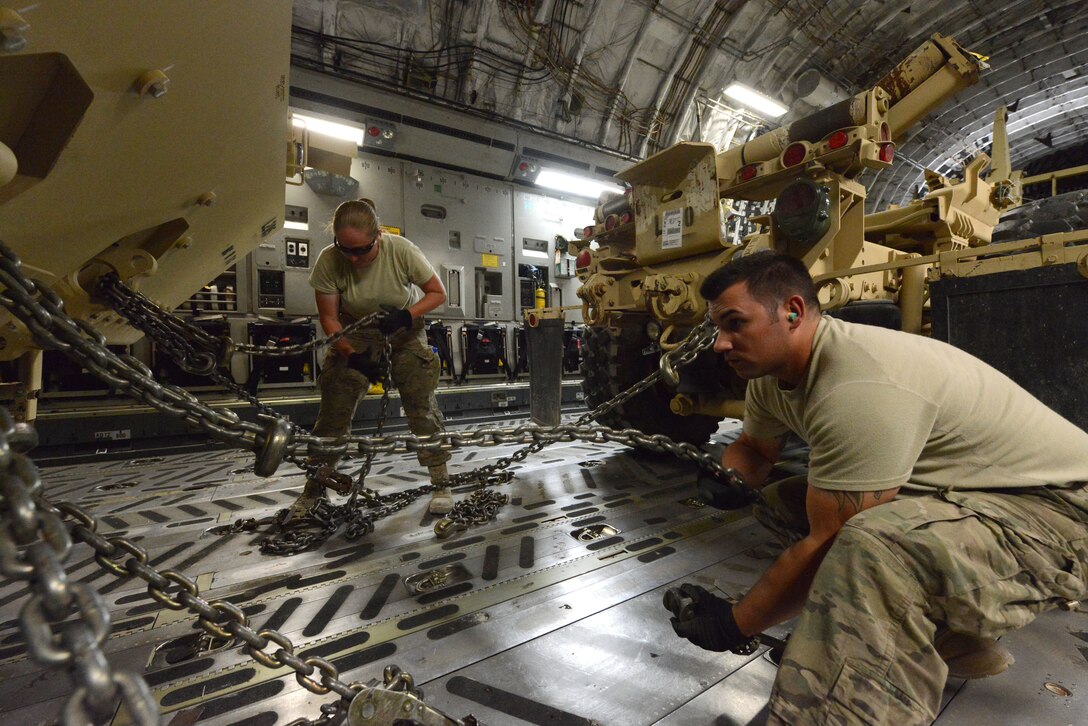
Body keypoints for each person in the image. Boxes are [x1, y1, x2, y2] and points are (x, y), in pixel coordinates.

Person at [665, 250, 1088, 725]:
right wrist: (731, 476)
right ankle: (935, 638)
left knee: (872, 550)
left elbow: (828, 544)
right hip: (986, 492)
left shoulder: (855, 382)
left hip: (1063, 508)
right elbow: (757, 450)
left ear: (793, 312)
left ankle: (854, 690)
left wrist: (735, 622)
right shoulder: (769, 375)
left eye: (734, 324)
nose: (720, 344)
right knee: (786, 501)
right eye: (717, 329)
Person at [293, 199, 454, 516]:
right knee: (333, 414)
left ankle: (440, 482)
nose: (353, 259)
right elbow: (329, 318)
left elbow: (437, 293)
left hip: (403, 331)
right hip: (355, 331)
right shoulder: (329, 260)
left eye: (361, 251)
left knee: (421, 407)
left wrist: (407, 316)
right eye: (345, 250)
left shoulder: (401, 250)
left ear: (377, 236)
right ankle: (312, 491)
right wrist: (351, 356)